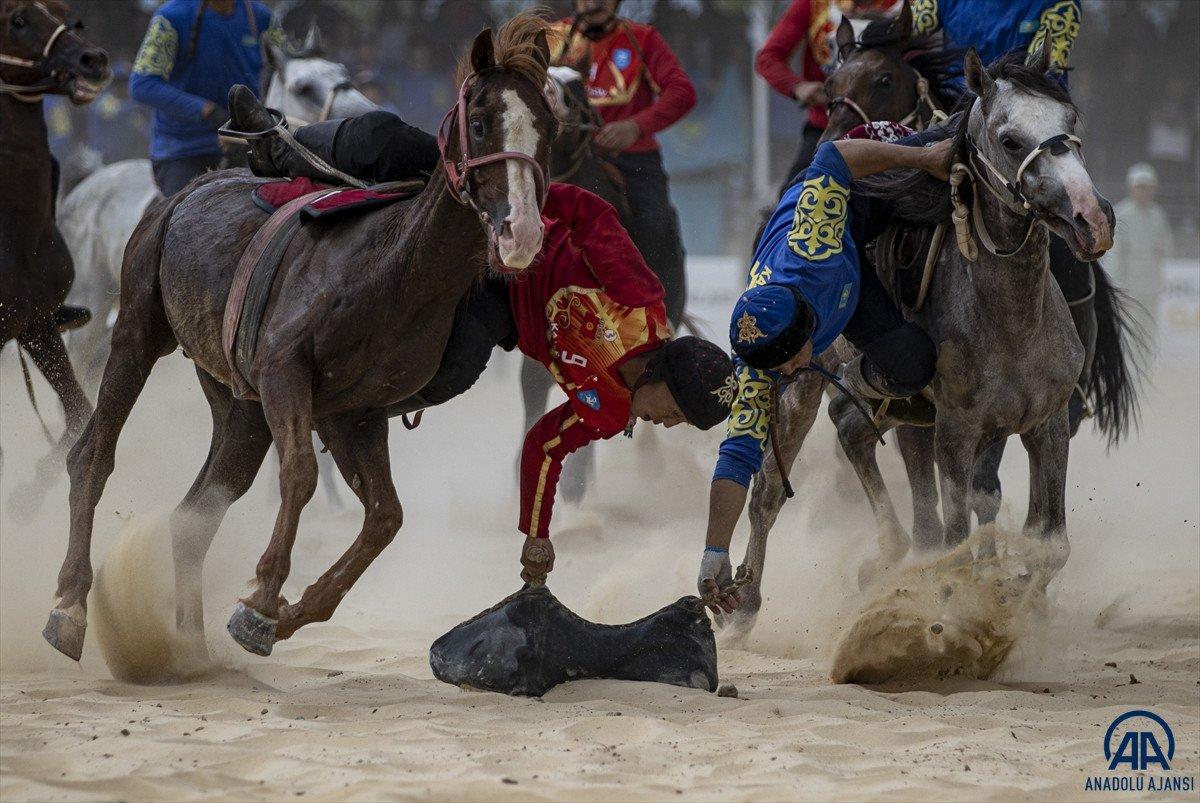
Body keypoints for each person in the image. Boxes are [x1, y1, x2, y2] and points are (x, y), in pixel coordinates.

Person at [225, 87, 736, 586]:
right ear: (666, 377)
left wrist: (536, 535)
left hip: (501, 308)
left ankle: (349, 407)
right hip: (508, 232)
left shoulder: (609, 413)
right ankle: (280, 139)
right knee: (394, 141)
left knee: (452, 372)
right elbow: (592, 213)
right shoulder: (639, 301)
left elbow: (544, 446)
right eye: (677, 413)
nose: (668, 425)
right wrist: (519, 207)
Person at [698, 133, 953, 613]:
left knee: (955, 161)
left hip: (851, 214)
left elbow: (834, 154)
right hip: (852, 289)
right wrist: (714, 553)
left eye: (793, 363)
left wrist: (926, 158)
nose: (792, 375)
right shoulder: (758, 365)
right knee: (913, 363)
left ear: (810, 327)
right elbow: (735, 458)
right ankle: (858, 388)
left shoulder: (811, 247)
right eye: (781, 370)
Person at [549, 0, 696, 324]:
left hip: (633, 158)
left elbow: (682, 91)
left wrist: (635, 126)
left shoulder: (643, 39)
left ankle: (664, 315)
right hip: (558, 162)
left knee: (656, 225)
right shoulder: (549, 39)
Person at [130, 0, 280, 196]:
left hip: (248, 145)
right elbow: (142, 85)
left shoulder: (262, 17)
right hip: (184, 151)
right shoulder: (171, 18)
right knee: (184, 221)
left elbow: (286, 70)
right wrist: (207, 111)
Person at [755, 0, 901, 190]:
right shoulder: (813, 4)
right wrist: (798, 87)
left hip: (896, 129)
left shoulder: (911, 5)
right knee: (791, 199)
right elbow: (768, 58)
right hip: (829, 126)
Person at [1109, 163, 1172, 321]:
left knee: (1150, 327)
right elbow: (1114, 256)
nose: (1143, 191)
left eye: (1147, 187)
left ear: (1153, 188)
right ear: (1131, 187)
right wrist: (1118, 288)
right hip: (1129, 287)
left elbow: (1167, 247)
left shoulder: (1158, 215)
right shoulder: (1121, 214)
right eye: (1139, 187)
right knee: (1131, 332)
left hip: (1152, 286)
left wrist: (1162, 249)